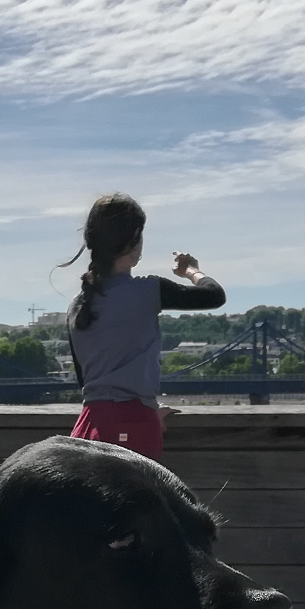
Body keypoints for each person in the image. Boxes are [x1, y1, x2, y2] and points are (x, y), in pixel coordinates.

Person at [60, 193, 225, 460]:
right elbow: (214, 295)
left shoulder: (77, 306)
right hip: (133, 428)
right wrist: (192, 271)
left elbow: (90, 382)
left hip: (86, 430)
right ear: (134, 239)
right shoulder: (148, 291)